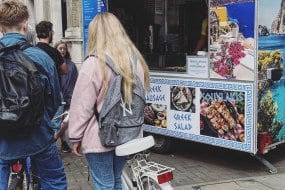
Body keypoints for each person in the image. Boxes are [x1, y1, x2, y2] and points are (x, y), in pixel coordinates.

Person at [68, 12, 150, 190]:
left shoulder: (93, 63)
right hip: (128, 132)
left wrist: (75, 136)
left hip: (100, 136)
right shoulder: (136, 61)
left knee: (104, 184)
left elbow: (82, 106)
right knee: (116, 180)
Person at [0, 1, 67, 189]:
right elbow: (54, 102)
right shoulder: (42, 57)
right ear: (25, 24)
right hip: (37, 136)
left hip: (3, 139)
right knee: (54, 180)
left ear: (0, 26)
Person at [54, 40, 78, 153]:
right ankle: (61, 142)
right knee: (59, 120)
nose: (62, 50)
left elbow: (76, 79)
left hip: (70, 95)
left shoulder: (71, 64)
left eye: (64, 48)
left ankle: (58, 140)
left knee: (67, 120)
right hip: (58, 95)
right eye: (60, 48)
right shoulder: (53, 63)